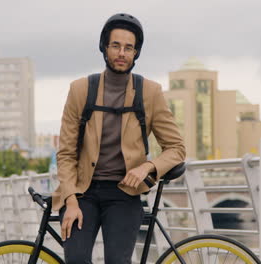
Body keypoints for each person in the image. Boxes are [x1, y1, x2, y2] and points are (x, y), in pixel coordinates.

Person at [52, 13, 186, 264]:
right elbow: (67, 153)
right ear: (104, 47)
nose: (121, 53)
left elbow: (176, 148)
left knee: (117, 261)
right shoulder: (81, 90)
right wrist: (69, 200)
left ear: (136, 53)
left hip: (125, 193)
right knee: (77, 259)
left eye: (128, 47)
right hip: (82, 192)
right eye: (115, 45)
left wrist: (148, 166)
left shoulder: (150, 92)